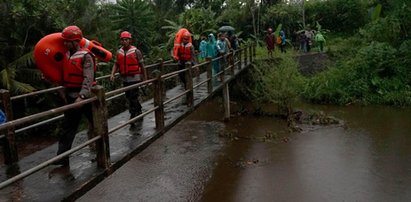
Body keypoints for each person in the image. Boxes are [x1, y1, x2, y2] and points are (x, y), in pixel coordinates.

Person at [54, 25, 96, 166]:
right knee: (68, 127)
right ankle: (62, 157)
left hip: (87, 97)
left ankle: (101, 151)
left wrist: (82, 96)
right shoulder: (66, 55)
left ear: (76, 41)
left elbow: (88, 78)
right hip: (71, 97)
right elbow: (63, 75)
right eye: (64, 41)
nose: (65, 43)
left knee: (96, 124)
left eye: (68, 41)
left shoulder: (86, 55)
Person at [110, 31, 145, 127]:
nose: (124, 41)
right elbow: (116, 64)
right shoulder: (119, 52)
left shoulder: (136, 51)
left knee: (133, 96)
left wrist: (144, 77)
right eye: (123, 40)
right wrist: (112, 74)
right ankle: (139, 109)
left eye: (126, 40)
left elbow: (142, 65)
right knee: (129, 97)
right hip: (125, 78)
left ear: (130, 40)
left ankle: (132, 116)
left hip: (135, 78)